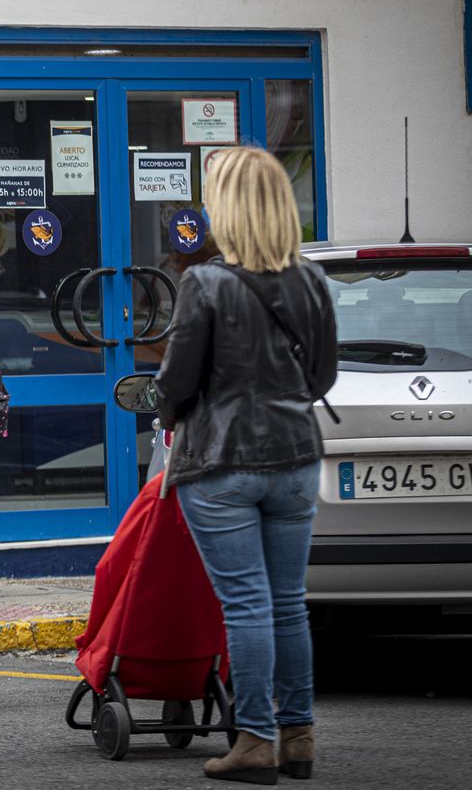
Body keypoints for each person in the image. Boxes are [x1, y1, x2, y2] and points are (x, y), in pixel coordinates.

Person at [155, 145, 336, 783]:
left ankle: (255, 741)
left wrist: (171, 407)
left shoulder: (204, 282)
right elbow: (322, 376)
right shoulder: (312, 279)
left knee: (248, 606)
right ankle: (300, 737)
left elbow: (175, 382)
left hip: (222, 460)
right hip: (293, 455)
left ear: (227, 210)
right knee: (289, 603)